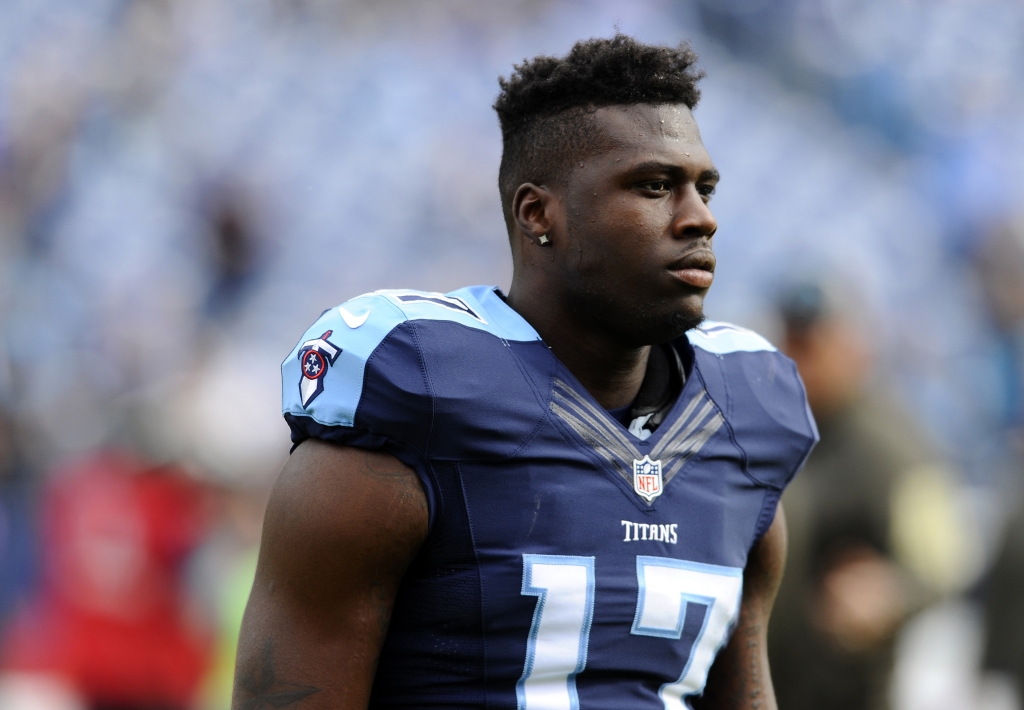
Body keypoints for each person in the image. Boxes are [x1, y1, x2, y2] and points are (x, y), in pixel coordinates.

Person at [234, 35, 818, 710]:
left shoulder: (742, 425)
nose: (700, 219)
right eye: (655, 186)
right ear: (539, 213)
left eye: (704, 188)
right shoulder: (420, 403)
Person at [768, 281, 968, 710]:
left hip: (846, 691)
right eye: (792, 343)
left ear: (855, 348)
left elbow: (943, 563)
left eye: (815, 345)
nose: (800, 360)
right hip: (768, 680)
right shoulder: (766, 428)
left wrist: (892, 593)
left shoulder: (896, 449)